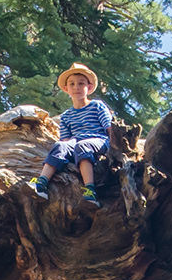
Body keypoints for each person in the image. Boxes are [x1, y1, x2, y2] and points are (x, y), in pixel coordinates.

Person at [34, 63, 115, 207]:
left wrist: (114, 148)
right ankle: (41, 183)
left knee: (82, 146)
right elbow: (65, 139)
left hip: (98, 140)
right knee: (60, 145)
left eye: (81, 83)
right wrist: (64, 150)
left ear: (88, 88)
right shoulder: (66, 116)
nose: (76, 87)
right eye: (72, 84)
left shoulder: (97, 106)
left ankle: (90, 190)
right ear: (66, 89)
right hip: (75, 142)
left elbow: (109, 128)